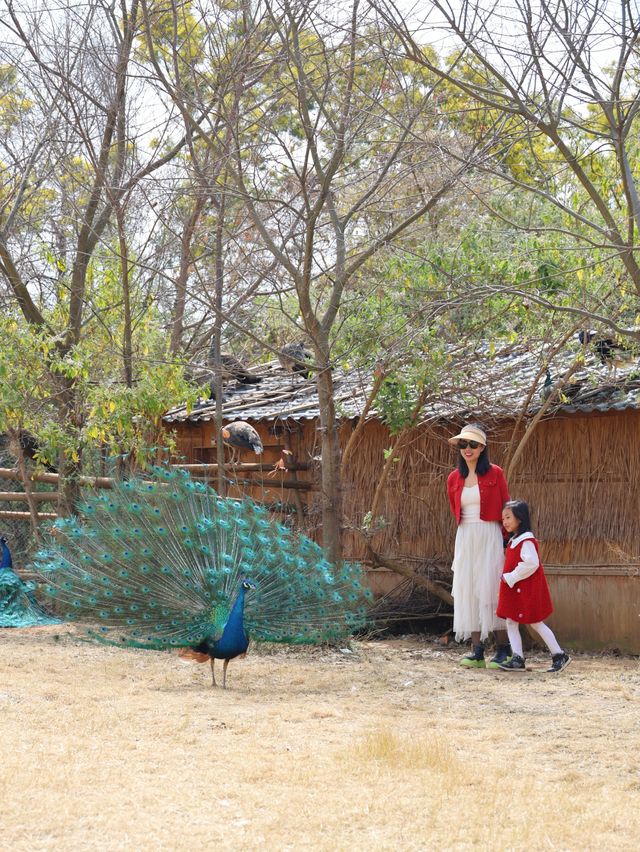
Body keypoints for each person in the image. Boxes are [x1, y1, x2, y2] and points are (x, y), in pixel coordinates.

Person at [447, 423, 511, 668]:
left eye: (472, 444)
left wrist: (508, 540)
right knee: (468, 589)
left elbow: (506, 507)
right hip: (465, 536)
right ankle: (477, 651)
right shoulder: (454, 478)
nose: (467, 449)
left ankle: (503, 649)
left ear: (483, 447)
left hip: (489, 534)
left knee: (490, 589)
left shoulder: (495, 473)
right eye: (463, 444)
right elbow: (456, 510)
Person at [496, 500, 571, 673]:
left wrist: (511, 576)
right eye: (503, 518)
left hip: (525, 590)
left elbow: (532, 563)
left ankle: (559, 655)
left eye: (508, 517)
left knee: (536, 622)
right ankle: (517, 659)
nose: (505, 521)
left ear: (520, 518)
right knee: (511, 621)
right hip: (516, 590)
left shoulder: (526, 540)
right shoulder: (514, 540)